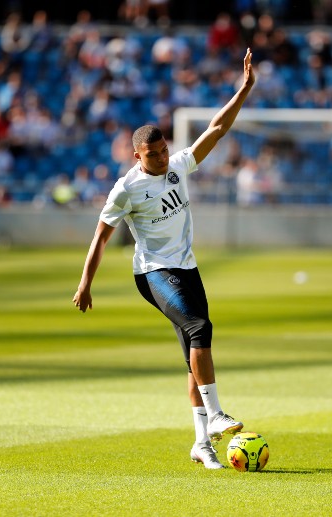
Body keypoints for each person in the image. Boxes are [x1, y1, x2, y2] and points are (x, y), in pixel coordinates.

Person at [73, 48, 256, 470]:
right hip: (154, 272)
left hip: (187, 268)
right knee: (200, 327)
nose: (160, 158)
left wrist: (244, 89)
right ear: (136, 156)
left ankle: (201, 445)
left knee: (194, 357)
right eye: (152, 154)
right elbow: (101, 236)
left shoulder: (177, 167)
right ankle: (215, 415)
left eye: (163, 150)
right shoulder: (126, 189)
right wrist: (85, 283)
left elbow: (216, 128)